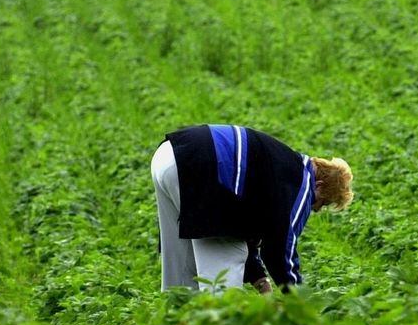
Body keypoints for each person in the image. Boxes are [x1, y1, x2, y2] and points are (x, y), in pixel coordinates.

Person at [150, 124, 353, 294]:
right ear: (319, 185)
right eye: (323, 202)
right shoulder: (302, 182)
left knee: (181, 272)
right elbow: (280, 246)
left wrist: (259, 278)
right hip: (204, 164)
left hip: (169, 155)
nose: (316, 209)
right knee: (225, 269)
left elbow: (251, 229)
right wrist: (297, 299)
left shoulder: (284, 167)